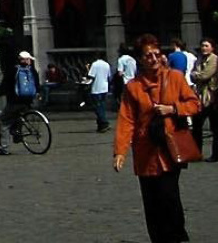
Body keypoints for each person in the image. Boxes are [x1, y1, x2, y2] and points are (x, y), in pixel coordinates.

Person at [114, 33, 201, 243]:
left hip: (169, 148)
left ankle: (176, 235)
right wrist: (120, 151)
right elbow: (126, 120)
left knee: (169, 197)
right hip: (145, 151)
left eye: (156, 54)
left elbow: (194, 104)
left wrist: (173, 108)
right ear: (140, 60)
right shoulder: (133, 87)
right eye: (147, 56)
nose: (152, 59)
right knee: (152, 203)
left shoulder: (175, 78)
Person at [0, 50, 40, 155]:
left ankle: (3, 148)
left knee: (4, 121)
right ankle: (17, 134)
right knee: (18, 116)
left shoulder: (13, 71)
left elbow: (4, 87)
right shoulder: (31, 70)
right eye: (29, 59)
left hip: (15, 101)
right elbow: (37, 84)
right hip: (28, 102)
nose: (30, 61)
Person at [191, 37, 218, 161]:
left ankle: (215, 154)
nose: (204, 48)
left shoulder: (214, 59)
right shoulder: (199, 59)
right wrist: (197, 75)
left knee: (215, 127)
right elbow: (193, 75)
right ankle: (196, 153)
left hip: (212, 96)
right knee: (196, 125)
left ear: (212, 47)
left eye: (206, 45)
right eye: (202, 45)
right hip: (199, 96)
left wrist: (197, 75)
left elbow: (205, 75)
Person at [87, 52, 112, 132]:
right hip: (104, 87)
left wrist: (87, 69)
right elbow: (108, 76)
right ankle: (100, 125)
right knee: (102, 106)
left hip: (96, 88)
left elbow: (91, 76)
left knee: (97, 107)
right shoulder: (107, 65)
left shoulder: (95, 64)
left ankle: (104, 122)